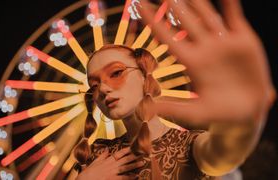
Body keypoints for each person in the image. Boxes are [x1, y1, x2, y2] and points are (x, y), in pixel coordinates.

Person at [73, 0, 276, 179]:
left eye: (116, 73)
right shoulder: (98, 157)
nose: (104, 89)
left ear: (145, 75)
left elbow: (224, 152)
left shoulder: (190, 148)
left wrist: (240, 124)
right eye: (94, 86)